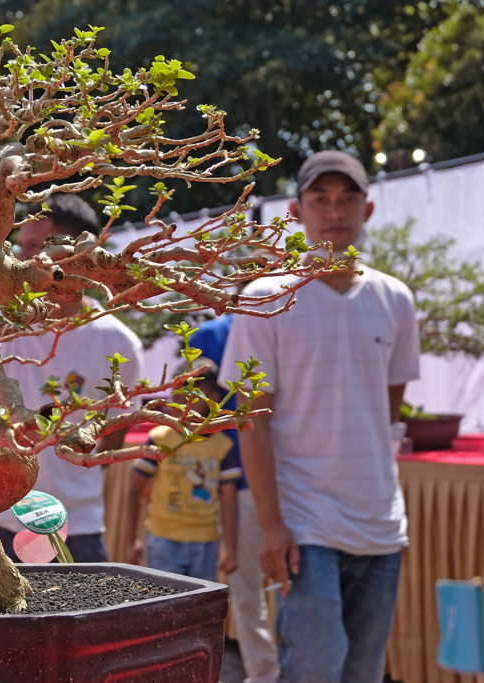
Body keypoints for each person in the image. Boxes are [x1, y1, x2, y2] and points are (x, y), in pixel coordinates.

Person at [218, 150, 421, 682]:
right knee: (315, 667)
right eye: (321, 199)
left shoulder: (395, 299)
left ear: (367, 208)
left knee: (364, 670)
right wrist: (272, 524)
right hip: (304, 519)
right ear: (296, 211)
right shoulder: (265, 298)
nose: (336, 211)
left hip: (381, 520)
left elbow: (387, 411)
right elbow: (251, 419)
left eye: (348, 198)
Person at [0, 194, 145, 562]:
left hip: (78, 528)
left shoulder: (118, 344)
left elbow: (112, 442)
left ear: (80, 253)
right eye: (20, 247)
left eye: (33, 248)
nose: (20, 260)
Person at [195, 314, 280, 683]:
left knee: (268, 588)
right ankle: (266, 672)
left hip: (287, 482)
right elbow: (194, 396)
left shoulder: (296, 318)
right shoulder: (211, 335)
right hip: (238, 480)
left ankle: (274, 671)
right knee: (247, 587)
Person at [124, 358, 241, 583]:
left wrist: (232, 549)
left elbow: (229, 501)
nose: (181, 404)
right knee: (163, 606)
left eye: (190, 397)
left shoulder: (223, 447)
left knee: (199, 610)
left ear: (214, 399)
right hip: (162, 539)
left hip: (206, 542)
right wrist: (132, 540)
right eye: (177, 397)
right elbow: (134, 489)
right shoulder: (159, 438)